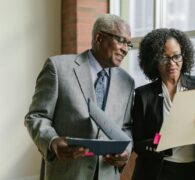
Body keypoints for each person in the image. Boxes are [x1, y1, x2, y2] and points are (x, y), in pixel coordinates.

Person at [24, 14, 135, 180]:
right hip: (67, 173)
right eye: (121, 40)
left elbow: (126, 127)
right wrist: (53, 141)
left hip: (107, 174)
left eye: (128, 44)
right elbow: (36, 117)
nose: (125, 49)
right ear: (99, 37)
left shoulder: (127, 81)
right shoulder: (58, 68)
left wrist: (126, 151)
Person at [132, 28, 195, 180]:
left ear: (184, 55)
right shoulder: (143, 95)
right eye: (164, 58)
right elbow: (138, 143)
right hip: (158, 172)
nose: (172, 63)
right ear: (154, 61)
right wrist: (160, 140)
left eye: (176, 56)